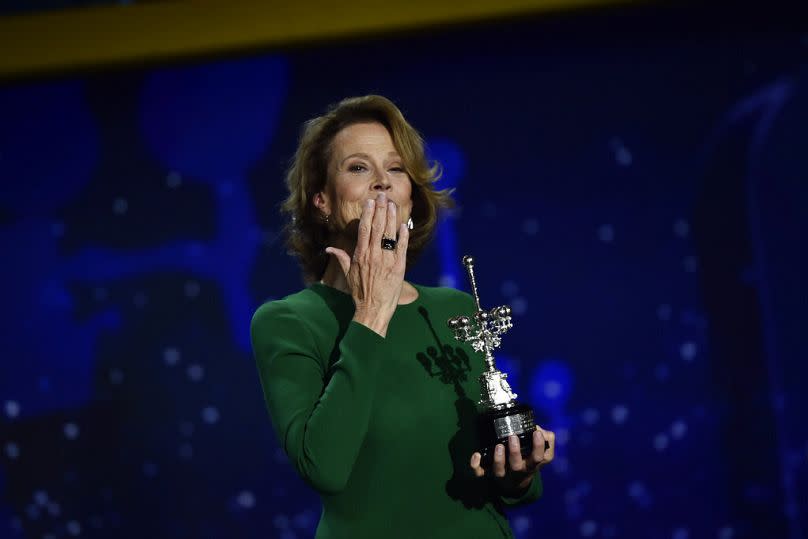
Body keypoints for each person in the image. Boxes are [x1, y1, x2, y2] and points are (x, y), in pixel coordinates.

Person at [250, 95, 555, 538]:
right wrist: (371, 313)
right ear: (322, 200)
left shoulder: (453, 310)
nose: (382, 183)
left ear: (412, 196)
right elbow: (325, 468)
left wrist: (518, 473)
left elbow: (507, 482)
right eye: (358, 168)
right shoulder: (287, 322)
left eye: (395, 169)